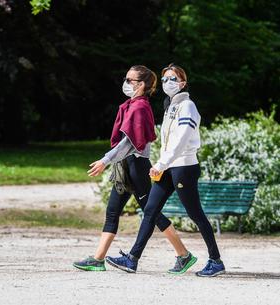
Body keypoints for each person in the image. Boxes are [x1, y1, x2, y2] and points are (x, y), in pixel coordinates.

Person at [73, 65, 195, 274]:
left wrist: (105, 160)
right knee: (113, 211)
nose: (125, 83)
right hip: (124, 166)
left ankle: (183, 255)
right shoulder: (131, 105)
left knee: (152, 213)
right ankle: (97, 259)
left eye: (129, 80)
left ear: (141, 85)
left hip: (137, 167)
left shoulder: (140, 108)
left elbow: (128, 144)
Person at [106, 64, 225, 277]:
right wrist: (161, 163)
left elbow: (181, 141)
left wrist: (161, 164)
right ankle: (132, 259)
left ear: (182, 83)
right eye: (164, 79)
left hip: (184, 168)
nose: (167, 83)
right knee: (150, 210)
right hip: (169, 167)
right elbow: (167, 141)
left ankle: (215, 261)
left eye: (172, 79)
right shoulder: (170, 106)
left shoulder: (187, 106)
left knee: (195, 214)